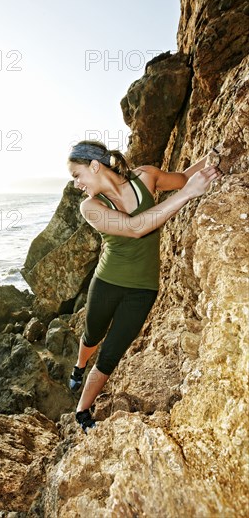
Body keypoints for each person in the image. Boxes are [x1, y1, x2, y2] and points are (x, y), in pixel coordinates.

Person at [67, 140, 221, 432]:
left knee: (110, 354)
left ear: (95, 166)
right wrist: (187, 195)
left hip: (143, 289)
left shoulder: (146, 176)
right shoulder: (90, 207)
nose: (76, 184)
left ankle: (81, 411)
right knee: (92, 334)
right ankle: (78, 365)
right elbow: (135, 228)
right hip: (107, 282)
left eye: (77, 175)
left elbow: (183, 179)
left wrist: (212, 156)